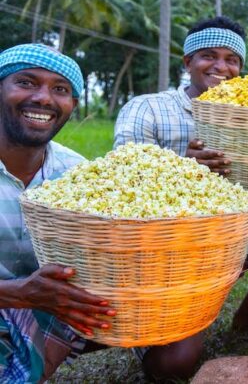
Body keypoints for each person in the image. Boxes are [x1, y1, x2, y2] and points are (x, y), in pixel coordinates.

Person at [113, 16, 248, 331]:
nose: (221, 67)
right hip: (176, 242)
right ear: (188, 61)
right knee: (173, 365)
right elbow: (122, 178)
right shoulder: (148, 108)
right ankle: (177, 303)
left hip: (243, 232)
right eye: (209, 56)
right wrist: (182, 168)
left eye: (231, 60)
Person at [0, 43, 203, 381]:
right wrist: (18, 294)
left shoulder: (77, 172)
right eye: (26, 82)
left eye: (60, 90)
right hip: (12, 300)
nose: (44, 98)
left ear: (73, 105)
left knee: (177, 351)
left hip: (54, 305)